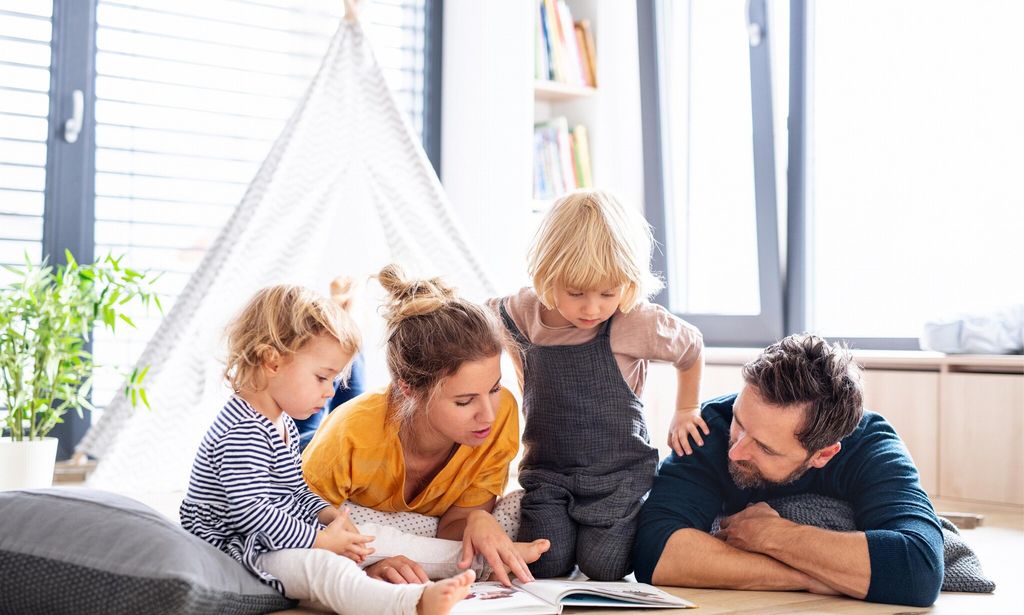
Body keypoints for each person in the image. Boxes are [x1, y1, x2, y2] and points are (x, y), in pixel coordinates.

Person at [179, 284, 474, 615]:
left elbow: (295, 492)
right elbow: (251, 512)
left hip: (271, 538)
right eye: (322, 378)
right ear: (271, 362)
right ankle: (411, 603)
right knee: (325, 567)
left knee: (368, 536)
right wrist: (319, 541)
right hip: (241, 550)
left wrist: (329, 515)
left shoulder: (281, 423)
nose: (329, 391)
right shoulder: (242, 431)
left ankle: (475, 561)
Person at [487, 189, 705, 581]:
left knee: (604, 566)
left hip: (617, 477)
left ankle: (637, 514)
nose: (592, 309)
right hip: (548, 473)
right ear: (547, 275)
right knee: (545, 565)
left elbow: (691, 348)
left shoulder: (633, 321)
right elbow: (470, 325)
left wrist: (686, 408)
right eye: (576, 293)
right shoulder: (519, 313)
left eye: (608, 292)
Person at [633, 334, 944, 608]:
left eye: (766, 448)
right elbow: (654, 551)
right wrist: (812, 577)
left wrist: (771, 535)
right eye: (740, 423)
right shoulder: (710, 427)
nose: (736, 450)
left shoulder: (871, 445)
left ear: (823, 454)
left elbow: (920, 569)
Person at [303, 265, 550, 587]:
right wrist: (364, 569)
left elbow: (450, 530)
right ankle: (341, 320)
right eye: (464, 401)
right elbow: (299, 528)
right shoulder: (351, 432)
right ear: (408, 387)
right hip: (315, 447)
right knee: (311, 408)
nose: (488, 415)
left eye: (493, 389)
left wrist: (477, 518)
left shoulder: (500, 416)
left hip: (379, 424)